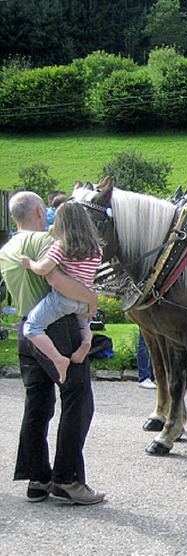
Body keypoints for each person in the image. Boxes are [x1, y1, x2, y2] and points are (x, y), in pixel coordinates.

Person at [0, 191, 105, 505]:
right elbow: (61, 282)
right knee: (78, 400)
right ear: (36, 210)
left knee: (37, 406)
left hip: (27, 331)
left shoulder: (7, 249)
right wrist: (92, 298)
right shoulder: (44, 243)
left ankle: (37, 478)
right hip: (57, 329)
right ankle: (67, 479)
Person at [19, 202, 102, 385]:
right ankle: (86, 342)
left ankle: (58, 359)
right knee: (83, 327)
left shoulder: (61, 246)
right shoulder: (96, 248)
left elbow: (43, 269)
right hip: (84, 301)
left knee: (31, 327)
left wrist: (29, 263)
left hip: (63, 300)